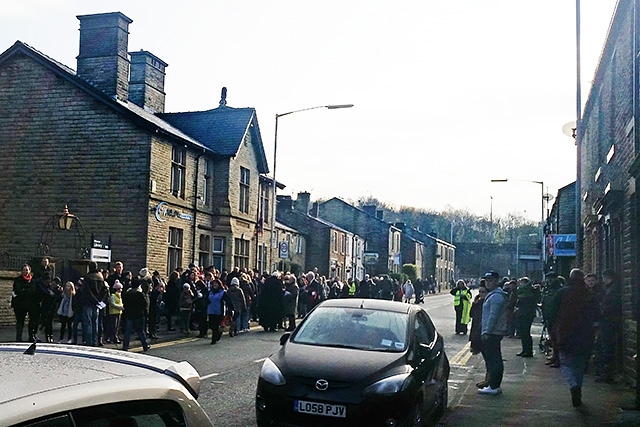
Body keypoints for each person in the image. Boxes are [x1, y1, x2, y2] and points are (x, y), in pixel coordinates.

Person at [552, 268, 598, 407]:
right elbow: (596, 313)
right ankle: (578, 385)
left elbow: (552, 311)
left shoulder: (562, 293)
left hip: (566, 331)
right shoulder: (589, 294)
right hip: (585, 333)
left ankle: (573, 385)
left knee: (565, 361)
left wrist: (554, 328)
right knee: (580, 363)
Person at [479, 270, 508, 395]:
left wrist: (486, 331)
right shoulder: (494, 294)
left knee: (494, 359)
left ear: (496, 281)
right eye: (486, 280)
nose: (488, 283)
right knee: (494, 358)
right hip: (494, 332)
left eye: (490, 281)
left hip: (493, 333)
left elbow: (493, 316)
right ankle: (493, 385)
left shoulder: (496, 296)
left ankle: (494, 386)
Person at [595, 269, 622, 383]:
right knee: (605, 347)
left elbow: (611, 306)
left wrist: (601, 310)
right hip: (608, 321)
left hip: (608, 322)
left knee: (606, 348)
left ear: (606, 277)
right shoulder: (612, 289)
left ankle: (607, 373)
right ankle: (606, 372)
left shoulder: (612, 290)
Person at [12, 264, 41, 342]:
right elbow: (18, 290)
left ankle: (31, 336)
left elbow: (33, 290)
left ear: (29, 271)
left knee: (32, 321)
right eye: (24, 270)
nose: (25, 271)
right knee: (20, 321)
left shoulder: (33, 281)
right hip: (20, 305)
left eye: (27, 270)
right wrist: (26, 291)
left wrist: (24, 290)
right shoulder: (17, 280)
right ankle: (18, 338)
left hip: (31, 304)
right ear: (21, 271)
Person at [121, 279, 151, 352]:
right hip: (139, 314)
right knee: (140, 331)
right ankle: (145, 345)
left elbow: (124, 303)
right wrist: (145, 313)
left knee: (127, 331)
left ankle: (125, 346)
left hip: (129, 314)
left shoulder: (127, 294)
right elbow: (145, 304)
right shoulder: (140, 294)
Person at [514, 277, 540, 357]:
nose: (520, 284)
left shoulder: (529, 291)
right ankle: (525, 350)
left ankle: (528, 351)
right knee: (523, 333)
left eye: (521, 282)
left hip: (527, 314)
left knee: (526, 333)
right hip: (523, 313)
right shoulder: (522, 292)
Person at [470, 281, 489, 388]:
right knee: (485, 357)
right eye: (480, 292)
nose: (481, 294)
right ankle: (487, 379)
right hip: (476, 330)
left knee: (488, 358)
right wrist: (475, 303)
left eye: (483, 292)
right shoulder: (478, 302)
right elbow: (471, 314)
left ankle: (489, 380)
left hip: (483, 331)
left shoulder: (487, 302)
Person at [207, 279, 234, 344]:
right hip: (211, 310)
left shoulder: (223, 292)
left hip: (219, 311)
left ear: (219, 285)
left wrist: (232, 308)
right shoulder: (210, 292)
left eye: (216, 284)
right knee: (211, 325)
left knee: (216, 325)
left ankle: (214, 339)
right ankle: (218, 333)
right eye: (213, 284)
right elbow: (206, 300)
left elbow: (228, 301)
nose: (214, 285)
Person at [41, 277, 63, 343]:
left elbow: (59, 298)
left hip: (53, 308)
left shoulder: (58, 290)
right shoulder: (48, 288)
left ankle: (50, 336)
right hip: (46, 307)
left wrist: (53, 295)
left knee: (49, 322)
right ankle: (47, 336)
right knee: (46, 322)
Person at [105, 280, 124, 344]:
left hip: (118, 312)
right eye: (119, 289)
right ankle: (111, 337)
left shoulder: (119, 295)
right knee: (113, 326)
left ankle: (115, 337)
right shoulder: (113, 295)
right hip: (113, 312)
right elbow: (112, 303)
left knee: (117, 326)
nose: (121, 290)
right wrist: (120, 306)